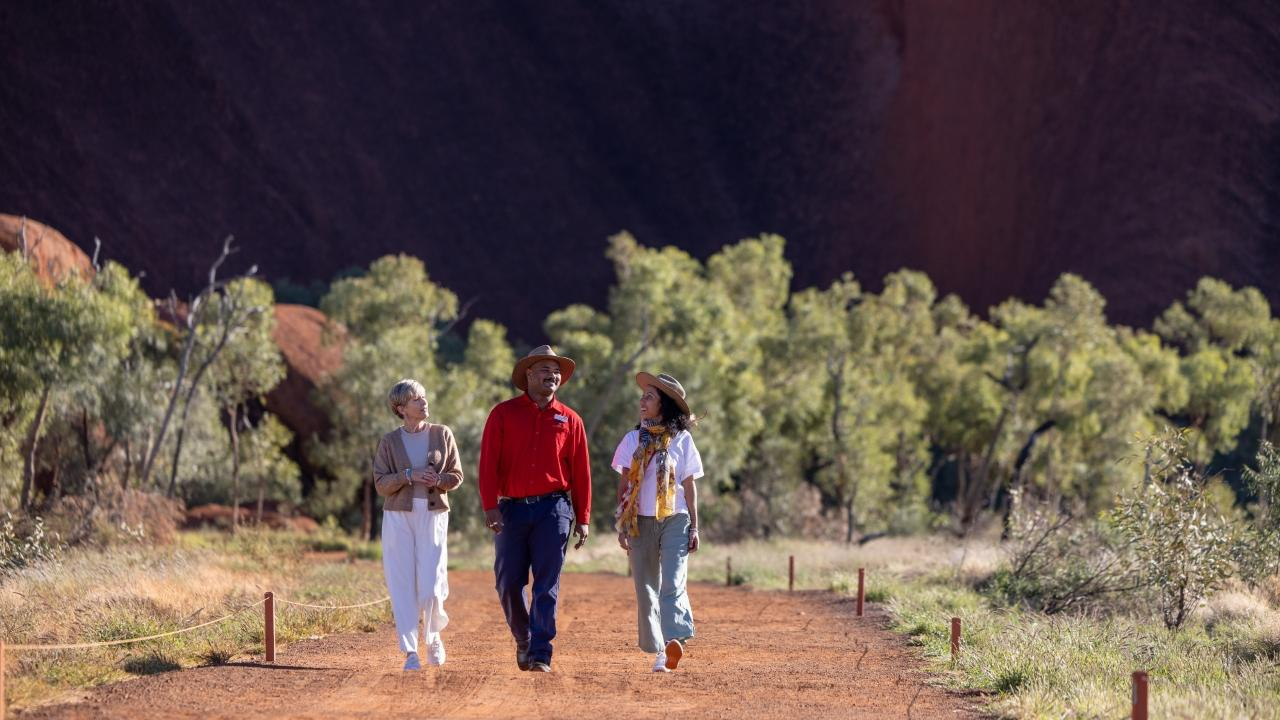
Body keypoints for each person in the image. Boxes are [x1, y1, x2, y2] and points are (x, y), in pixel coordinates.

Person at [478, 345, 591, 672]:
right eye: (544, 368)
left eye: (556, 370)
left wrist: (582, 518)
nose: (552, 375)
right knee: (508, 581)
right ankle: (524, 638)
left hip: (554, 510)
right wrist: (490, 506)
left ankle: (541, 651)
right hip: (511, 510)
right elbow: (488, 465)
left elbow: (581, 473)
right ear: (528, 374)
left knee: (546, 584)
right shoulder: (503, 414)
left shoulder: (571, 420)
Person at [613, 372, 703, 673]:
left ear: (664, 405)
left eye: (649, 397)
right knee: (645, 587)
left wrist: (695, 526)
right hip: (640, 521)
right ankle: (656, 645)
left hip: (675, 519)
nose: (642, 401)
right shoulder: (630, 440)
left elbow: (689, 486)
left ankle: (671, 644)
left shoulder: (683, 440)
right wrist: (623, 524)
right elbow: (624, 485)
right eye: (643, 396)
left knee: (673, 581)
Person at [372, 379, 464, 671]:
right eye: (416, 399)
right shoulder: (389, 442)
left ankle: (433, 636)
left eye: (424, 397)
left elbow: (456, 476)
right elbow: (381, 484)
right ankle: (410, 652)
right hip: (398, 517)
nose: (424, 402)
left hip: (434, 515)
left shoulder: (442, 434)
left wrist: (438, 480)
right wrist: (409, 474)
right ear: (401, 408)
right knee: (402, 584)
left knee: (431, 585)